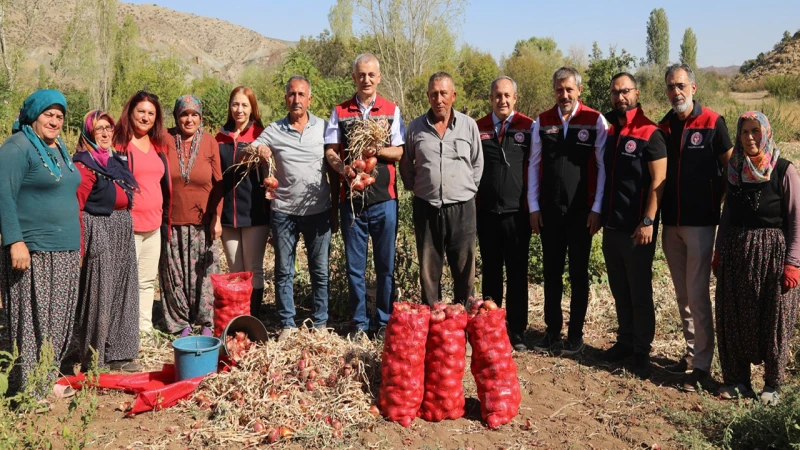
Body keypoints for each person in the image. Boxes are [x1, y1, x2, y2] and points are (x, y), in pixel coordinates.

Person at [0, 90, 81, 399]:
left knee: (56, 320)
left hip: (64, 249)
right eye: (48, 113)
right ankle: (28, 390)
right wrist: (15, 241)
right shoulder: (17, 147)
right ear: (33, 114)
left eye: (60, 116)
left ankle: (45, 380)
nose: (55, 120)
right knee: (31, 321)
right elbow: (3, 195)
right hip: (32, 250)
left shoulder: (58, 147)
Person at [714, 111, 800, 405]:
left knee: (774, 319)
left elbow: (796, 220)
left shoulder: (784, 170)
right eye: (744, 132)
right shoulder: (735, 170)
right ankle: (739, 381)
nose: (750, 137)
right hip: (737, 252)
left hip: (773, 255)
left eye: (755, 131)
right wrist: (718, 249)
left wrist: (793, 263)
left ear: (766, 132)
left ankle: (772, 386)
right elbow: (727, 215)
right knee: (734, 316)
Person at [658, 63, 733, 392]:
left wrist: (718, 205)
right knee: (683, 294)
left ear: (694, 87)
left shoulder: (713, 122)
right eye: (671, 87)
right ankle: (691, 355)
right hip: (670, 224)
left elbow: (731, 170)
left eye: (681, 85)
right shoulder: (663, 126)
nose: (677, 92)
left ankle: (702, 366)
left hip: (701, 224)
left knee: (699, 296)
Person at [527, 67, 608, 356]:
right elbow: (534, 166)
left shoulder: (596, 121)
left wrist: (597, 208)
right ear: (554, 91)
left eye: (569, 89)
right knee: (551, 272)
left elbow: (602, 168)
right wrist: (533, 207)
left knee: (578, 274)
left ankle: (575, 334)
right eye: (559, 90)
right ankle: (552, 332)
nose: (564, 95)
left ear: (579, 91)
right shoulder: (542, 122)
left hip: (581, 212)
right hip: (549, 211)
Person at [324, 53, 405, 338]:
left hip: (385, 201)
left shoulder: (391, 109)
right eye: (361, 75)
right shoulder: (340, 111)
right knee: (355, 269)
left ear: (379, 77)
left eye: (371, 75)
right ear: (354, 77)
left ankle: (383, 322)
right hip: (352, 203)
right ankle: (360, 323)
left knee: (385, 267)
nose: (366, 79)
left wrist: (376, 152)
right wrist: (342, 168)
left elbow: (399, 151)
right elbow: (331, 151)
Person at [252, 75, 332, 341]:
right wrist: (260, 150)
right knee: (284, 270)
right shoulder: (274, 130)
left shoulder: (323, 127)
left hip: (318, 212)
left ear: (310, 99)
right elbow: (248, 152)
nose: (296, 99)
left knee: (319, 270)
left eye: (301, 95)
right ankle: (287, 323)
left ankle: (320, 324)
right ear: (285, 98)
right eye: (291, 94)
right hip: (284, 212)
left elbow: (336, 157)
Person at [599, 73, 667, 378]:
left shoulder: (650, 132)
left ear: (636, 93)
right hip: (612, 227)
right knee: (619, 289)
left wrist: (648, 220)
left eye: (624, 91)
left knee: (639, 292)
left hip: (638, 229)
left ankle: (642, 351)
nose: (619, 97)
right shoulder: (610, 130)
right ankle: (624, 341)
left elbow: (658, 182)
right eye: (614, 92)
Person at [400, 71, 483, 306]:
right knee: (428, 271)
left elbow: (477, 163)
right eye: (434, 94)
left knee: (464, 271)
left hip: (462, 209)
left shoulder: (468, 126)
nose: (439, 99)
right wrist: (416, 187)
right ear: (428, 96)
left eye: (444, 93)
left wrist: (465, 190)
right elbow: (406, 164)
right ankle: (432, 328)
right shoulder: (416, 127)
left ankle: (461, 329)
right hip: (427, 207)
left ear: (453, 96)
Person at [73, 110, 141, 372]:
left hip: (122, 228)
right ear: (89, 132)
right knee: (100, 294)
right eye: (98, 129)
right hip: (98, 228)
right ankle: (95, 357)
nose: (104, 133)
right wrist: (80, 246)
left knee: (123, 291)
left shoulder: (115, 161)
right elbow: (77, 206)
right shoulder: (83, 164)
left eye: (108, 128)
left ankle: (120, 353)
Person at [475, 76, 533, 351]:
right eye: (497, 95)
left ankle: (518, 330)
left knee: (518, 273)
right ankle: (492, 326)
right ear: (491, 98)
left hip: (517, 214)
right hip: (486, 213)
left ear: (515, 98)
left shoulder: (529, 127)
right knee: (491, 272)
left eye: (507, 95)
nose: (503, 100)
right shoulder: (478, 128)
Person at [160, 95, 223, 337]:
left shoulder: (209, 142)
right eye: (184, 114)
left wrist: (216, 218)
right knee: (174, 275)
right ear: (176, 117)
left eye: (194, 114)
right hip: (172, 221)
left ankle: (207, 322)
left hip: (202, 223)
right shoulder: (164, 139)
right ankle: (180, 323)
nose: (189, 119)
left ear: (200, 118)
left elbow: (218, 184)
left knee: (205, 274)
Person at [113, 90, 171, 334]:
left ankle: (143, 331)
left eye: (151, 113)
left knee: (147, 282)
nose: (146, 117)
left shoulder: (158, 145)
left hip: (153, 225)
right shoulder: (120, 144)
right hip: (130, 225)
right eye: (141, 112)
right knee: (124, 282)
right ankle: (122, 332)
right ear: (131, 112)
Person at [216, 86, 269, 318]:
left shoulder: (261, 134)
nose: (239, 110)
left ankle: (253, 318)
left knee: (253, 269)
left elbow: (271, 174)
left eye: (244, 105)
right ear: (229, 106)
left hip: (254, 213)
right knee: (235, 270)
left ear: (252, 108)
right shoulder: (220, 137)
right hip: (228, 214)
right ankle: (238, 318)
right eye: (235, 104)